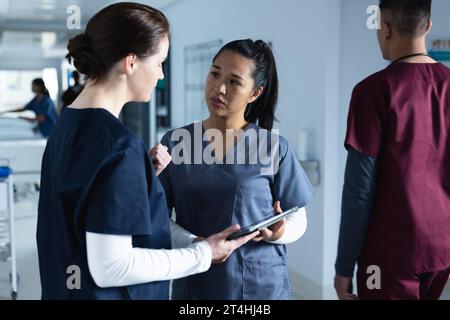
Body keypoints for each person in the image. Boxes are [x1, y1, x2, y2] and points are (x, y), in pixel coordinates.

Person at [36, 3, 256, 300]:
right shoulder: (118, 146)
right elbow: (111, 267)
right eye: (159, 62)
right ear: (130, 62)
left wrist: (137, 178)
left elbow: (83, 205)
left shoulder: (69, 123)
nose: (161, 75)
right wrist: (203, 253)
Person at [159, 39, 315, 300]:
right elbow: (158, 217)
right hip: (198, 283)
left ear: (255, 93)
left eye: (234, 82)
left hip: (261, 286)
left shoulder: (272, 147)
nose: (219, 88)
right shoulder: (175, 144)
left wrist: (280, 232)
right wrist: (196, 245)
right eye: (215, 73)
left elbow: (298, 216)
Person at [335, 0, 450, 300]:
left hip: (389, 253)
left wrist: (344, 265)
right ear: (427, 26)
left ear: (384, 29)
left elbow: (358, 192)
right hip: (443, 249)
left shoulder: (372, 91)